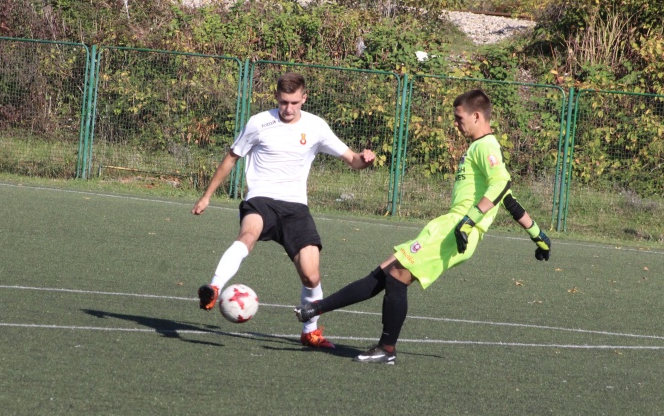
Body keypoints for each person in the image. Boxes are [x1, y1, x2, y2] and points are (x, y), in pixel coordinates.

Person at [293, 89, 551, 364]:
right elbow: (508, 199)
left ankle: (386, 349)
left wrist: (468, 222)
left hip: (458, 229)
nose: (456, 123)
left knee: (397, 276)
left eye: (459, 117)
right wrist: (538, 235)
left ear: (477, 116)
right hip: (450, 225)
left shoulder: (486, 145)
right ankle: (316, 308)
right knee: (384, 272)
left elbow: (501, 183)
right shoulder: (478, 147)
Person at [193, 72, 376, 348]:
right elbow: (231, 157)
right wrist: (207, 196)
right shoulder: (259, 122)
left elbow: (353, 160)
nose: (288, 109)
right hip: (261, 199)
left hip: (295, 207)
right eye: (283, 102)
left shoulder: (316, 126)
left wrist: (365, 160)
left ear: (304, 98)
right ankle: (214, 287)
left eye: (294, 103)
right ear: (276, 97)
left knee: (311, 275)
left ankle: (310, 332)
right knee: (248, 235)